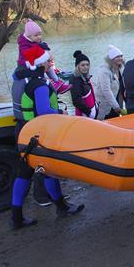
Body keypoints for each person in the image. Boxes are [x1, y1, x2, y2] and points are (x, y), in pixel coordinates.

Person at [10, 45, 84, 230]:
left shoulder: (25, 81)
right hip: (36, 134)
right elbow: (44, 111)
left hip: (23, 131)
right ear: (41, 63)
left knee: (25, 174)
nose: (51, 62)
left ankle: (16, 217)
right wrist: (60, 111)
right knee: (48, 170)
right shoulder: (40, 85)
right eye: (48, 60)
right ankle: (61, 207)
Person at [16, 19, 72, 94]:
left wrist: (45, 49)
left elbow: (42, 48)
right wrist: (43, 56)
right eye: (36, 35)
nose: (38, 37)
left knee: (50, 66)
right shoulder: (24, 44)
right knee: (43, 68)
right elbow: (28, 54)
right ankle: (49, 82)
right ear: (29, 36)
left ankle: (57, 82)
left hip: (35, 60)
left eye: (39, 34)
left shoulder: (35, 41)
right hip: (26, 63)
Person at [92, 45, 125, 120]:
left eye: (121, 56)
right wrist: (116, 106)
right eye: (117, 56)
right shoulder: (104, 71)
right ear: (111, 58)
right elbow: (106, 90)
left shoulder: (120, 68)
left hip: (117, 102)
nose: (120, 58)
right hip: (106, 105)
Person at [69, 50, 98, 119]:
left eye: (87, 64)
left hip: (91, 116)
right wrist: (88, 112)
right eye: (83, 65)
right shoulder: (75, 80)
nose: (86, 67)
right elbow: (76, 100)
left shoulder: (85, 77)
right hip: (84, 116)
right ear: (77, 66)